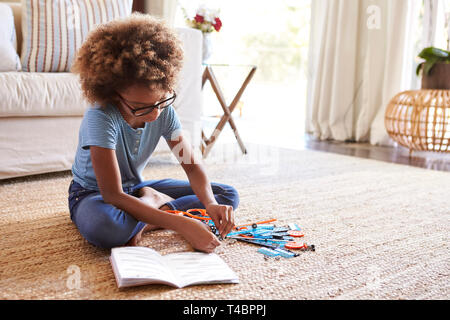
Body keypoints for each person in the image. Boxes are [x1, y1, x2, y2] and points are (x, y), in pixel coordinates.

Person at [68, 13, 239, 253]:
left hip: (136, 188)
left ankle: (151, 206)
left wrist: (210, 204)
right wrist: (183, 224)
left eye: (161, 101)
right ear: (112, 94)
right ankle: (153, 203)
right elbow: (113, 194)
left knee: (225, 195)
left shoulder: (163, 110)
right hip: (94, 195)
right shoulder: (101, 117)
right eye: (141, 107)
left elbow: (191, 165)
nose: (155, 114)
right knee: (106, 228)